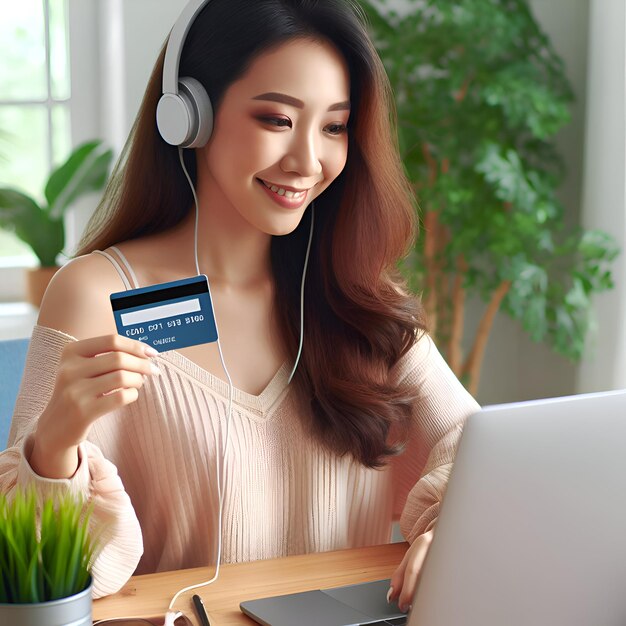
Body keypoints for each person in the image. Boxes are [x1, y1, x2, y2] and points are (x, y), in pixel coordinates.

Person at [0, 0, 479, 613]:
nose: (308, 161)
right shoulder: (96, 294)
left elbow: (475, 450)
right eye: (278, 119)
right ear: (188, 118)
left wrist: (451, 532)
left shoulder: (359, 302)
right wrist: (54, 445)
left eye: (334, 127)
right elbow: (31, 576)